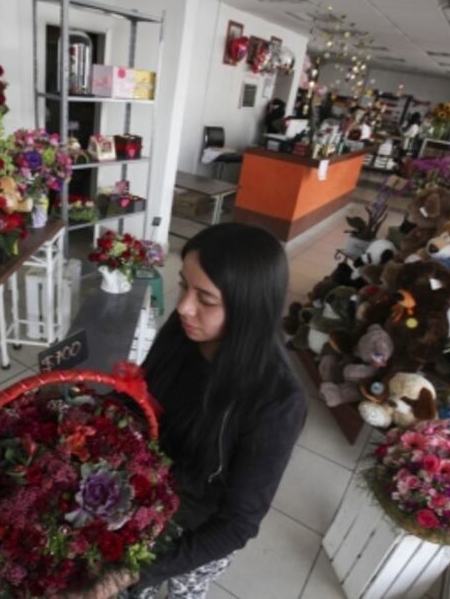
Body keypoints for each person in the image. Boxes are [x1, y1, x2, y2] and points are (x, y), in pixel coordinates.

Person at [74, 223, 308, 599]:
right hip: (143, 498)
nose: (183, 306)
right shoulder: (184, 331)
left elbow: (237, 523)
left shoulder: (276, 401)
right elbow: (140, 396)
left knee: (184, 590)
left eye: (206, 299)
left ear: (250, 307)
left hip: (200, 530)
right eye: (184, 285)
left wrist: (134, 572)